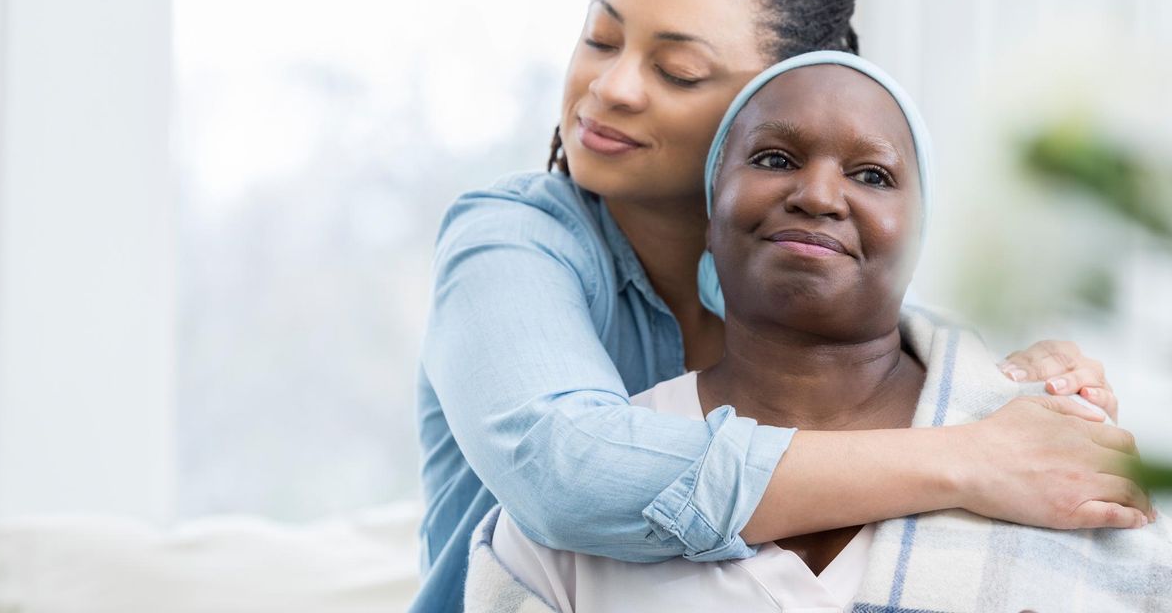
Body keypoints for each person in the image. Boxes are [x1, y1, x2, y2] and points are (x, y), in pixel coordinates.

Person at [415, 0, 1136, 613]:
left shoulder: (816, 270)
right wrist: (973, 460)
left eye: (678, 71)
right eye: (601, 39)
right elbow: (567, 474)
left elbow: (925, 362)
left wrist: (1031, 380)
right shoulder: (511, 240)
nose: (613, 88)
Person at [466, 51, 1169, 612]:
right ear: (710, 214)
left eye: (872, 175)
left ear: (920, 237)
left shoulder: (1057, 455)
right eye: (774, 159)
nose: (820, 195)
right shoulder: (572, 517)